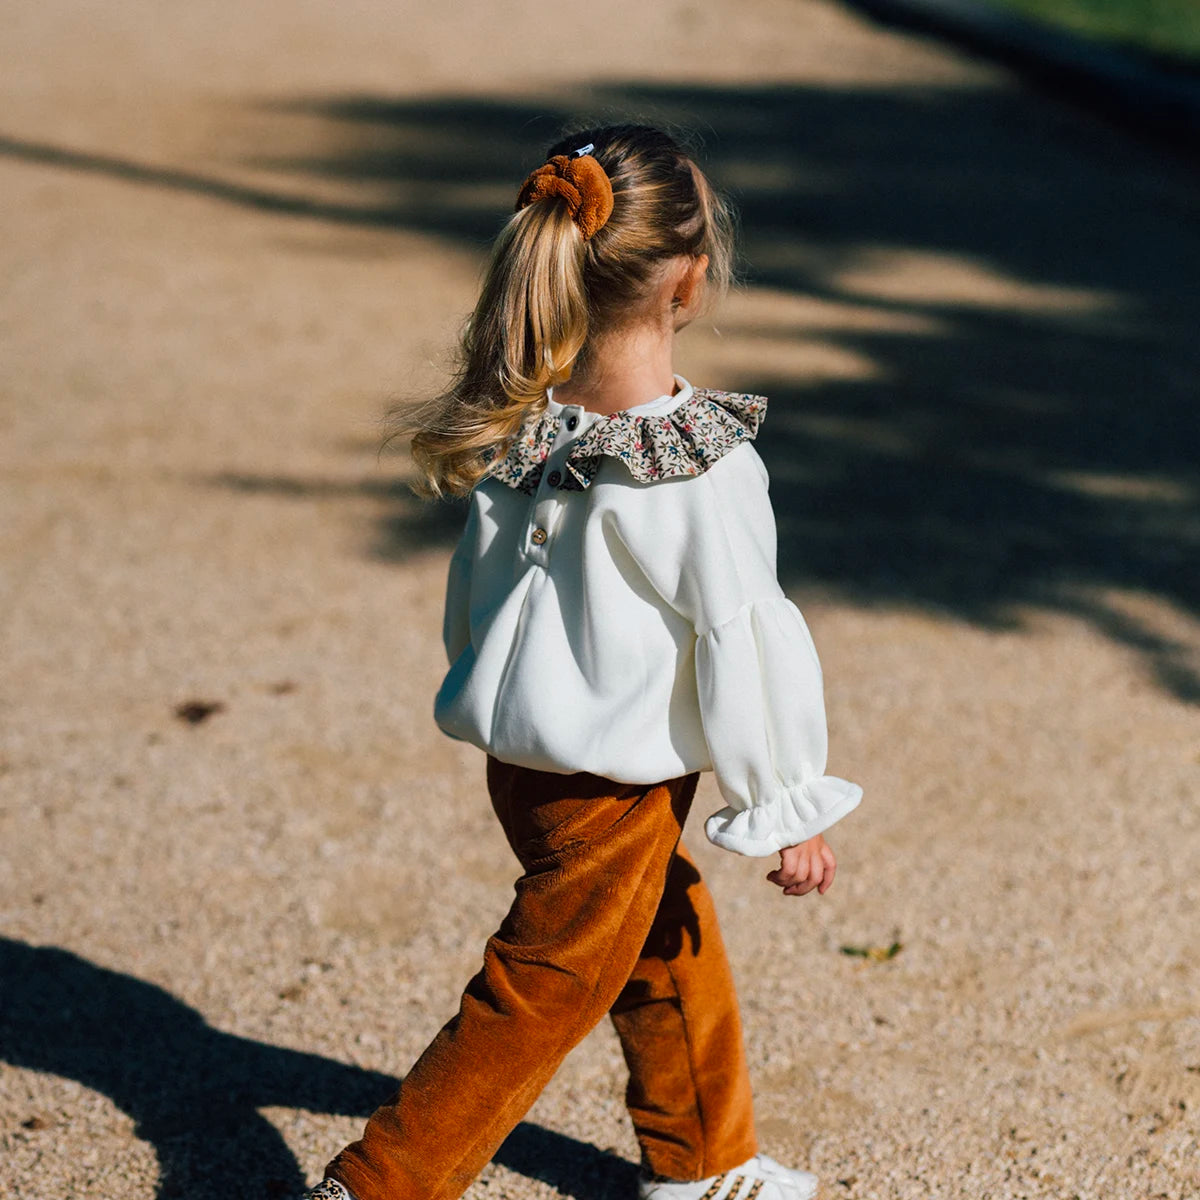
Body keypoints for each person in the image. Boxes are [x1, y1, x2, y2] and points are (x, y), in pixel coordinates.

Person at [302, 123, 862, 1200]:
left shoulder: (528, 427)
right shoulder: (696, 468)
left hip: (523, 767)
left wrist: (487, 685)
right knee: (536, 996)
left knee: (664, 932)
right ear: (690, 277)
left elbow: (475, 595)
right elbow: (744, 635)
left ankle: (706, 1162)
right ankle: (375, 1185)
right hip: (612, 788)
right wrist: (784, 799)